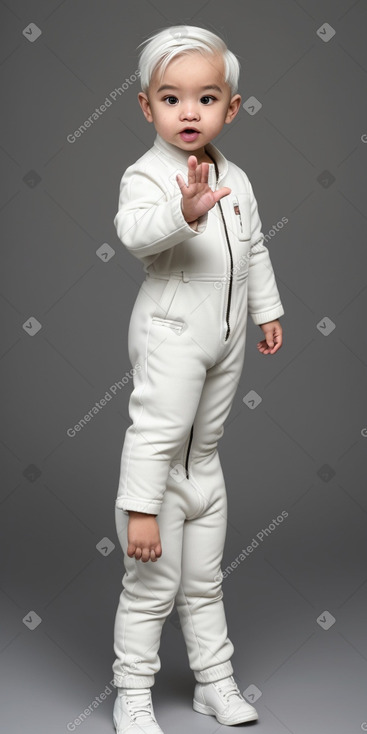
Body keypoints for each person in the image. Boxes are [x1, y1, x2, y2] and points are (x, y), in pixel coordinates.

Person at [111, 24, 285, 734]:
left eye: (205, 99)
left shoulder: (235, 177)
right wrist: (182, 211)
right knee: (152, 578)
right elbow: (134, 230)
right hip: (173, 330)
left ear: (230, 108)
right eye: (171, 98)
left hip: (224, 338)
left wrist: (267, 308)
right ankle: (130, 693)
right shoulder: (147, 174)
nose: (189, 112)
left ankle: (215, 681)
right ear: (145, 106)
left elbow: (254, 244)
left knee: (203, 574)